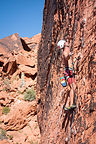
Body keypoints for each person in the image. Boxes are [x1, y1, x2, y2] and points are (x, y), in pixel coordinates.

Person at [57, 40, 76, 111]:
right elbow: (66, 57)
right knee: (73, 87)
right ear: (64, 44)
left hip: (68, 71)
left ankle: (68, 105)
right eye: (65, 42)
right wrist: (69, 55)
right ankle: (71, 104)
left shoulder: (66, 50)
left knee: (70, 88)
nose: (67, 43)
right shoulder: (65, 51)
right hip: (69, 72)